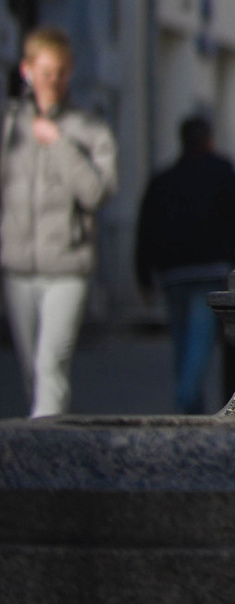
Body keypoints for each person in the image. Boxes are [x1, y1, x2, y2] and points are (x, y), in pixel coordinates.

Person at [0, 27, 118, 417]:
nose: (53, 81)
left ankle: (43, 456)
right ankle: (48, 438)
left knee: (51, 363)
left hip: (67, 268)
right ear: (26, 71)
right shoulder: (10, 128)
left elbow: (98, 192)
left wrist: (59, 144)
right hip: (17, 266)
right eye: (46, 71)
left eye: (62, 72)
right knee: (33, 371)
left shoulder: (88, 129)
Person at [133, 116, 235, 412]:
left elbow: (145, 228)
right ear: (208, 139)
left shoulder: (164, 180)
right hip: (211, 270)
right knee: (198, 346)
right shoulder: (221, 171)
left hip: (173, 273)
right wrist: (234, 245)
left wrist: (144, 276)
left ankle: (190, 407)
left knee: (183, 343)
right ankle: (187, 402)